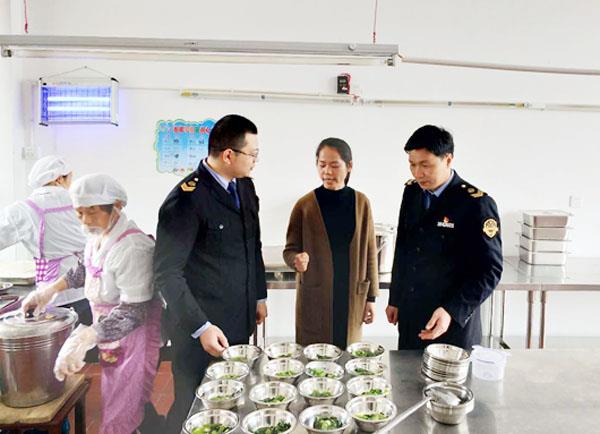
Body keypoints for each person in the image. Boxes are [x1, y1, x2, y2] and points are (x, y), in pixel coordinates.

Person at [22, 173, 163, 434]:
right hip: (109, 333)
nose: (85, 220)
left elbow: (134, 313)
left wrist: (87, 336)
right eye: (79, 213)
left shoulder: (133, 247)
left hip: (133, 337)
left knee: (123, 403)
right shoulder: (98, 236)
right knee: (120, 397)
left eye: (92, 212)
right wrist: (49, 291)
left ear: (116, 206)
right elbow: (85, 269)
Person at [154, 114, 268, 432]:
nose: (256, 160)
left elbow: (252, 244)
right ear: (229, 155)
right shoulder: (186, 200)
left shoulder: (244, 187)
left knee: (232, 402)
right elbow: (167, 274)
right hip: (200, 331)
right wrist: (200, 326)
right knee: (194, 408)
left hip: (238, 321)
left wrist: (259, 295)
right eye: (253, 154)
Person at [386, 125, 503, 350]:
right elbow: (403, 248)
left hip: (452, 322)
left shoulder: (476, 203)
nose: (418, 173)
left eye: (426, 165)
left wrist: (452, 310)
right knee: (407, 371)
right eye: (412, 164)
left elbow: (490, 270)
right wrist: (396, 298)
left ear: (448, 159)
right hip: (412, 316)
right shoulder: (412, 192)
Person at [283, 137, 379, 348]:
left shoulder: (361, 203)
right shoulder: (305, 205)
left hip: (351, 295)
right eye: (322, 165)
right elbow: (290, 250)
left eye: (334, 165)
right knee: (315, 356)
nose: (327, 171)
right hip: (316, 295)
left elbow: (370, 253)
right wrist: (296, 259)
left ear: (349, 166)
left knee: (348, 354)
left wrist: (371, 299)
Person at [0, 155, 91, 324]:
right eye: (69, 179)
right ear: (58, 179)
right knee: (86, 335)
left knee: (58, 337)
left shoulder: (22, 209)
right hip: (87, 286)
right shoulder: (82, 202)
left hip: (51, 293)